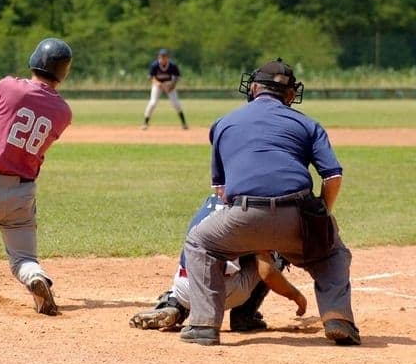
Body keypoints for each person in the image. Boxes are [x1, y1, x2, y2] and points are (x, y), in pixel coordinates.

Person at [181, 58, 360, 346]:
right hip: (298, 218)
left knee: (200, 243)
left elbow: (221, 191)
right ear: (290, 95)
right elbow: (333, 177)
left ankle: (203, 326)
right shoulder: (307, 124)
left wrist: (253, 235)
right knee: (332, 254)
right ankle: (338, 317)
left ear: (252, 88)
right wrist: (323, 214)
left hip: (243, 214)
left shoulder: (224, 123)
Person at [0, 38, 73, 315]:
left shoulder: (7, 85)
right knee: (23, 258)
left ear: (35, 59)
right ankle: (36, 278)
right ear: (63, 72)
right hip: (22, 193)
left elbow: (2, 121)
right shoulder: (63, 113)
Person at [129, 194, 306, 331]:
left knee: (197, 254)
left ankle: (174, 305)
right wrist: (296, 296)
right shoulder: (247, 210)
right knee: (273, 253)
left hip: (184, 288)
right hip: (221, 295)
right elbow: (267, 273)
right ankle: (244, 316)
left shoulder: (211, 201)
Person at [141, 48, 188, 130]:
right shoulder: (155, 65)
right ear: (158, 57)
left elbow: (177, 77)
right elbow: (151, 77)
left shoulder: (172, 65)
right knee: (153, 103)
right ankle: (145, 123)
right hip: (157, 85)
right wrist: (157, 83)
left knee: (176, 103)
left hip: (169, 84)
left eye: (164, 56)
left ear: (167, 57)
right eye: (161, 56)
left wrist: (172, 86)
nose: (163, 58)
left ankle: (184, 123)